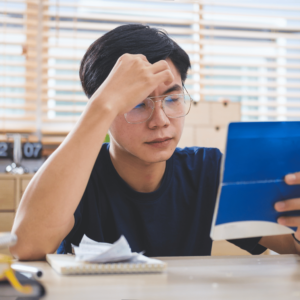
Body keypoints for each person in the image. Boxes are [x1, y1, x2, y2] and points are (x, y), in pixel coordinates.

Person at [10, 24, 300, 260]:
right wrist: (102, 106)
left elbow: (291, 244)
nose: (160, 119)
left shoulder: (208, 172)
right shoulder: (77, 175)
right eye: (138, 103)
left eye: (172, 99)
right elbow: (24, 247)